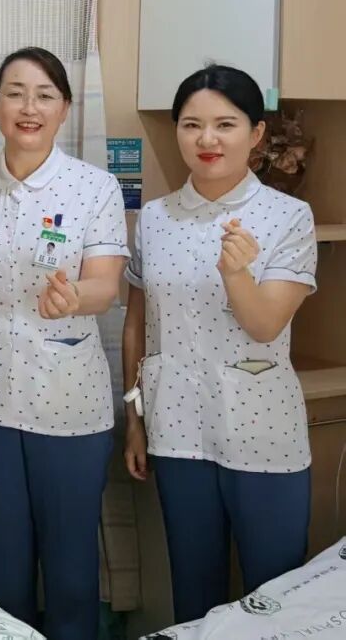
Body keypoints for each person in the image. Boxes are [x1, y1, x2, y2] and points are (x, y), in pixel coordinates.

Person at [0, 47, 128, 639]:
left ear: (65, 108)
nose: (29, 107)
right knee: (5, 565)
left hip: (68, 402)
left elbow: (106, 285)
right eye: (15, 93)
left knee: (70, 571)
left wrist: (76, 298)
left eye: (45, 95)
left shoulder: (94, 187)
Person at [122, 65, 316, 624]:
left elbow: (264, 325)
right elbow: (138, 326)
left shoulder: (288, 216)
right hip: (176, 429)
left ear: (256, 133)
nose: (207, 139)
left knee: (274, 602)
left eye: (225, 124)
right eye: (192, 125)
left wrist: (237, 275)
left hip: (263, 433)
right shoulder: (155, 219)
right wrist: (134, 419)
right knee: (195, 597)